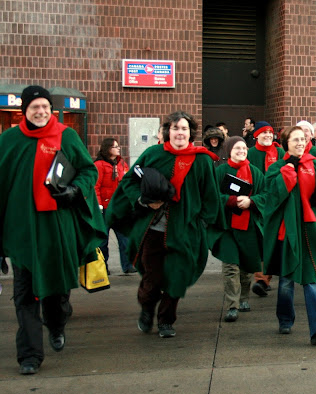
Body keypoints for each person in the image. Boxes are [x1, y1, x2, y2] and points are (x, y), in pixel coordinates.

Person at [0, 85, 105, 375]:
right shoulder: (8, 140)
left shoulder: (66, 136)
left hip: (57, 229)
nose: (41, 111)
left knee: (56, 291)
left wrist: (74, 191)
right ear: (25, 111)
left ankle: (56, 325)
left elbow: (88, 170)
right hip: (21, 231)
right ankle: (30, 355)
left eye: (45, 106)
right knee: (24, 296)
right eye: (35, 107)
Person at [106, 111, 223, 338]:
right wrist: (142, 201)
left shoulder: (202, 160)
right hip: (153, 230)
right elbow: (130, 181)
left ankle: (166, 320)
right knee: (153, 279)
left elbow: (210, 196)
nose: (180, 132)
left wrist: (202, 223)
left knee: (177, 277)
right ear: (169, 131)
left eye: (185, 129)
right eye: (176, 128)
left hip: (185, 230)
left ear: (191, 133)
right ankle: (147, 308)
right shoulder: (153, 154)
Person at [262, 126, 316, 345]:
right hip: (288, 233)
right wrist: (286, 176)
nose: (300, 142)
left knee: (312, 281)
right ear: (286, 143)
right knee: (287, 280)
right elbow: (271, 197)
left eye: (303, 139)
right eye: (295, 139)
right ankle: (285, 319)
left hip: (312, 230)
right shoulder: (277, 168)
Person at [211, 136, 267, 322]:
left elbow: (266, 195)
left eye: (244, 148)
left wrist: (251, 201)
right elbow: (211, 196)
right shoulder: (220, 172)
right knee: (230, 266)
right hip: (226, 226)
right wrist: (232, 201)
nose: (241, 151)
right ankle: (232, 305)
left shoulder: (255, 173)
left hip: (248, 226)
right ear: (229, 151)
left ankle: (244, 298)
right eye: (237, 149)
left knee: (246, 267)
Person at [246, 121, 284, 295]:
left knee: (273, 242)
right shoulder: (250, 153)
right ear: (256, 136)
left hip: (277, 203)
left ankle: (265, 278)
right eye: (264, 133)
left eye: (270, 132)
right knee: (260, 242)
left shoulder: (280, 152)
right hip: (258, 203)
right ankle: (261, 279)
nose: (268, 135)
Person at [94, 137, 136, 275]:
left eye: (118, 146)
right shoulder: (99, 165)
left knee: (125, 237)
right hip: (105, 208)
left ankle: (128, 265)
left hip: (119, 207)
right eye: (115, 147)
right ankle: (102, 266)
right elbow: (96, 186)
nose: (118, 148)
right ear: (107, 149)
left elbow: (127, 182)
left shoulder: (121, 164)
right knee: (102, 240)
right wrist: (98, 205)